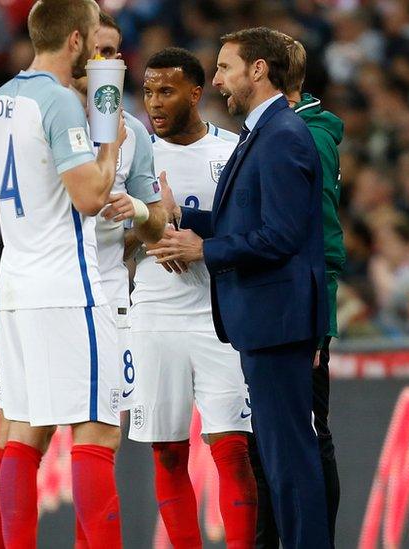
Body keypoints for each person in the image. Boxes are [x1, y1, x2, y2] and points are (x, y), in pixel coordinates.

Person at [0, 10, 166, 548]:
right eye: (96, 49)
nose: (106, 63)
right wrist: (111, 146)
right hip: (69, 291)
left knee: (23, 433)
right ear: (76, 41)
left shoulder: (5, 100)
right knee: (95, 434)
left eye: (114, 54)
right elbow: (89, 196)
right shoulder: (58, 106)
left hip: (20, 290)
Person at [149, 26, 330, 548]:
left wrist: (203, 250)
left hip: (277, 320)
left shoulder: (280, 137)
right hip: (266, 320)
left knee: (289, 458)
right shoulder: (263, 133)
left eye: (226, 67)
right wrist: (189, 218)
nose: (219, 79)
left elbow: (281, 236)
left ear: (258, 70)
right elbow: (248, 219)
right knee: (281, 457)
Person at [128, 46, 256, 548]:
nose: (155, 102)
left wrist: (204, 244)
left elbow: (255, 230)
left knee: (231, 449)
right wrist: (148, 228)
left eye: (167, 90)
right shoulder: (134, 152)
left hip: (219, 317)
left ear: (196, 93)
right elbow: (105, 232)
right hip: (155, 315)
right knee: (166, 451)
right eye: (148, 91)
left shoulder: (233, 151)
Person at [247, 34, 344, 548]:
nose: (221, 80)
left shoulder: (304, 136)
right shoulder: (282, 132)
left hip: (299, 313)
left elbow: (321, 238)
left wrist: (319, 324)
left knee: (308, 436)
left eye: (228, 68)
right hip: (276, 310)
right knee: (275, 442)